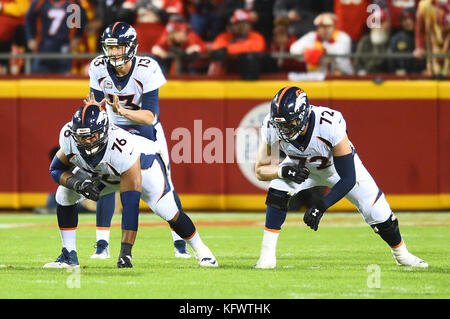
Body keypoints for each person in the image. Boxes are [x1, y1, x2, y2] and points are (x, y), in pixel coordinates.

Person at [253, 86, 428, 269]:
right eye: (280, 125)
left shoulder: (328, 123)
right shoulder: (272, 125)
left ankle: (402, 254)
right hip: (301, 168)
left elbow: (348, 179)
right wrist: (283, 171)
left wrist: (321, 206)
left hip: (336, 169)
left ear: (303, 115)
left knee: (377, 212)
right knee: (278, 189)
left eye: (289, 124)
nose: (284, 130)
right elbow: (260, 170)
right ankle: (267, 258)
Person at [44, 100, 219, 268]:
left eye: (92, 136)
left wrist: (125, 252)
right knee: (64, 194)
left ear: (104, 132)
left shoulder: (121, 147)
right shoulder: (68, 137)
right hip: (107, 173)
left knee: (167, 210)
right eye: (82, 138)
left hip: (143, 166)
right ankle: (68, 256)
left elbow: (130, 203)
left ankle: (203, 251)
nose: (87, 142)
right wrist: (77, 184)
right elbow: (56, 169)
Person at [88, 21, 191, 260]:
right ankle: (102, 246)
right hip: (112, 129)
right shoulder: (98, 67)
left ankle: (180, 241)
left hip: (146, 129)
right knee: (104, 180)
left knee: (165, 184)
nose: (114, 53)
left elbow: (149, 117)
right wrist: (94, 111)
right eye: (110, 47)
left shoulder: (147, 68)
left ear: (131, 47)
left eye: (119, 47)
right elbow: (96, 104)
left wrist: (122, 111)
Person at [25, 0, 87, 74]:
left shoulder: (72, 3)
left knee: (63, 80)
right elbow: (29, 19)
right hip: (42, 47)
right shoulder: (39, 2)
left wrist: (77, 36)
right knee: (39, 79)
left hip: (64, 46)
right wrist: (31, 37)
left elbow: (81, 19)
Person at [207, 8, 267, 79]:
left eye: (245, 23)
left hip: (252, 75)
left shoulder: (256, 36)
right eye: (238, 23)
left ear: (250, 25)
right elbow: (217, 49)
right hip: (228, 75)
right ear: (231, 26)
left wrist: (227, 50)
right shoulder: (224, 36)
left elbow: (254, 48)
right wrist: (224, 50)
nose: (242, 27)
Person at [289, 12, 354, 76]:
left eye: (328, 26)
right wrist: (309, 51)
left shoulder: (343, 37)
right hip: (317, 77)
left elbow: (340, 54)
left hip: (343, 76)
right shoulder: (312, 36)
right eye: (322, 27)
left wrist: (321, 49)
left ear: (334, 27)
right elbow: (293, 50)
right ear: (318, 28)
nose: (325, 30)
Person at [354, 7, 392, 75]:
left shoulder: (392, 41)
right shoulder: (364, 41)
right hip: (367, 79)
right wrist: (362, 72)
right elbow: (357, 62)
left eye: (381, 22)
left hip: (388, 79)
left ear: (388, 23)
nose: (378, 26)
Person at [388, 7, 426, 75]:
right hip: (402, 78)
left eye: (411, 18)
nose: (409, 22)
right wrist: (396, 72)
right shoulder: (396, 39)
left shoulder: (425, 36)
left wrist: (427, 69)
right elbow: (391, 61)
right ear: (400, 22)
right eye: (404, 19)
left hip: (423, 77)